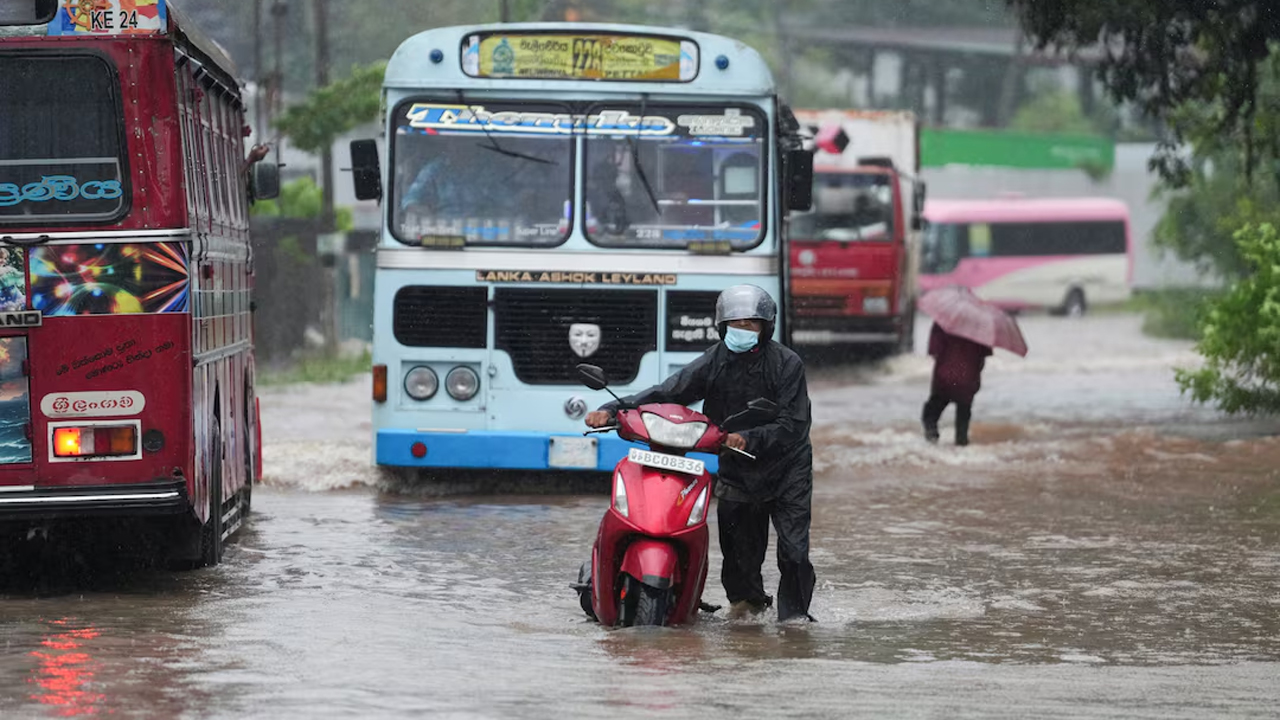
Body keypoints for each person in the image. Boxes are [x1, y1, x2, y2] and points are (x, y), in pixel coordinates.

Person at [585, 285, 816, 622]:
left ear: (767, 327)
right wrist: (612, 409)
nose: (743, 331)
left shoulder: (787, 364)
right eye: (736, 324)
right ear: (722, 326)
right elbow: (670, 391)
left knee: (794, 551)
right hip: (737, 466)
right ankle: (748, 611)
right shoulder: (715, 360)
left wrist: (748, 438)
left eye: (752, 324)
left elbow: (793, 424)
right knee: (739, 554)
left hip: (786, 468)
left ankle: (794, 621)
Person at [922, 322, 992, 446]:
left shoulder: (942, 322)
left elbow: (934, 351)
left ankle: (932, 444)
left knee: (930, 416)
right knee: (962, 428)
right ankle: (962, 452)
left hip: (944, 379)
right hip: (968, 381)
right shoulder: (982, 326)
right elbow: (984, 354)